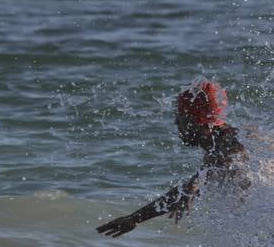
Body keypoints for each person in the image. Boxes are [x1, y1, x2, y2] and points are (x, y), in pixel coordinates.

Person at [96, 80, 247, 238]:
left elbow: (226, 158)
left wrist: (194, 184)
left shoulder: (231, 143)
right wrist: (134, 219)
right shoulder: (224, 140)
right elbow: (191, 185)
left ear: (196, 120)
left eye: (180, 116)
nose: (175, 121)